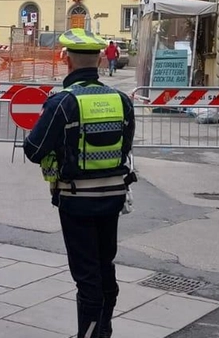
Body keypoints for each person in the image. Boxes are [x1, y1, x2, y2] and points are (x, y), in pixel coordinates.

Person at [24, 28, 136, 338]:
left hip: (76, 201)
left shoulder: (63, 102)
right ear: (100, 60)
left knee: (86, 277)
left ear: (67, 62)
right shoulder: (122, 101)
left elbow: (34, 150)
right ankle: (103, 330)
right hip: (112, 198)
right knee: (104, 267)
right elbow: (124, 148)